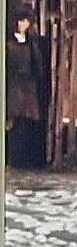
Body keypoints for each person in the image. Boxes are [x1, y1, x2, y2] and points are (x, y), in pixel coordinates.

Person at [6, 12, 47, 169]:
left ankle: (27, 159)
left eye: (25, 22)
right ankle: (14, 158)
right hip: (15, 86)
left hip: (29, 88)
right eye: (20, 21)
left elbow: (38, 65)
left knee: (29, 122)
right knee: (14, 122)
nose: (22, 25)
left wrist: (37, 80)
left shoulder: (32, 43)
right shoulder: (9, 43)